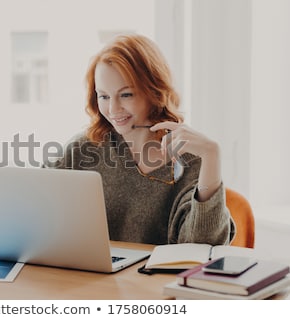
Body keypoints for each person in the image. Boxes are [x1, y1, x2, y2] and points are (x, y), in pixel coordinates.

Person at [46, 33, 235, 245]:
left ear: (153, 91)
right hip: (89, 277)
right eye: (104, 96)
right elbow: (35, 211)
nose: (113, 109)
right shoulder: (83, 149)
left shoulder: (190, 158)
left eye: (126, 95)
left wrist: (212, 156)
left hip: (156, 278)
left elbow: (202, 248)